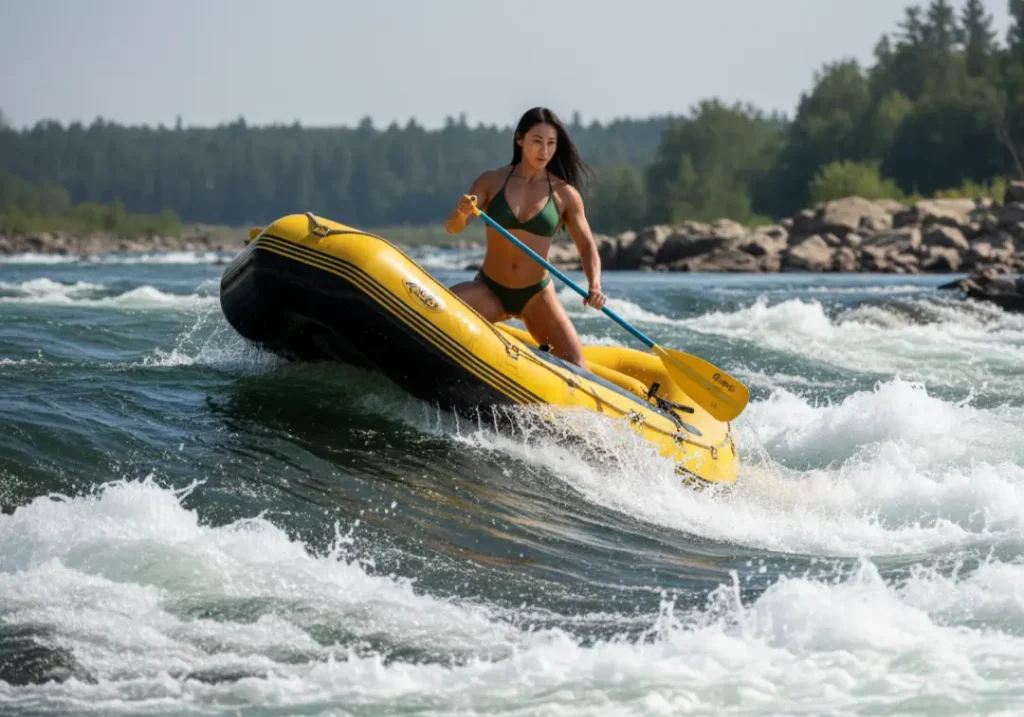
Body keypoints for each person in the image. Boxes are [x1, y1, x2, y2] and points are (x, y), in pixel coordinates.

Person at [444, 107, 607, 370]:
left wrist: (595, 286)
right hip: (490, 288)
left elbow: (587, 246)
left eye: (551, 144)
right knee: (438, 316)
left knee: (577, 367)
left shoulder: (565, 195)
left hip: (536, 295)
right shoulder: (491, 181)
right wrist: (461, 213)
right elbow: (452, 228)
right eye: (537, 141)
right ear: (520, 139)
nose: (544, 151)